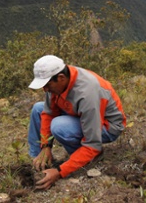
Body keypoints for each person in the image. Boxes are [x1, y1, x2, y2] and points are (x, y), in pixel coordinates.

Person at [27, 55, 126, 190]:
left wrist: (60, 172)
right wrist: (46, 146)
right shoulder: (59, 82)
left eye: (47, 85)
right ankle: (39, 161)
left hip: (107, 126)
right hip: (80, 113)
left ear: (61, 78)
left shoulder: (87, 93)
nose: (45, 90)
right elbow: (49, 113)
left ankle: (88, 158)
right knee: (38, 109)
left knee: (59, 126)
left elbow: (92, 144)